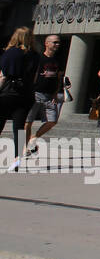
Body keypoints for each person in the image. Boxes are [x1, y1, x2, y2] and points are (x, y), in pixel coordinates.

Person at [0, 28, 40, 166]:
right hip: (26, 93)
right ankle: (18, 157)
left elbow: (3, 75)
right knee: (19, 126)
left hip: (8, 91)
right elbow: (34, 78)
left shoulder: (10, 53)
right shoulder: (35, 55)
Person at [24, 35, 66, 159]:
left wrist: (56, 92)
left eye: (58, 43)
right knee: (27, 122)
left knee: (52, 121)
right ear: (47, 43)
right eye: (55, 42)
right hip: (35, 93)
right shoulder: (38, 58)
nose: (57, 45)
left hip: (50, 96)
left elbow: (59, 77)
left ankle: (34, 138)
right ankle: (23, 148)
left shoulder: (58, 60)